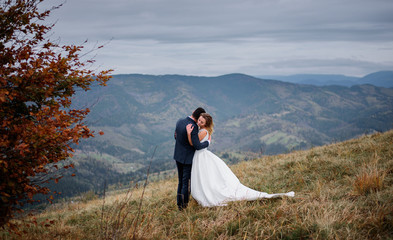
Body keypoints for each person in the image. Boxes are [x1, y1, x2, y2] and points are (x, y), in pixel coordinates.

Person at [186, 113, 294, 207]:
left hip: (201, 156)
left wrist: (188, 133)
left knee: (204, 176)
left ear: (206, 124)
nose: (199, 122)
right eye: (199, 120)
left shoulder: (203, 132)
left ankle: (207, 194)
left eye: (201, 121)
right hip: (201, 156)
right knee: (205, 176)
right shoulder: (205, 131)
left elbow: (193, 144)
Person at [173, 107, 210, 210]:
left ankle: (179, 203)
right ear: (199, 117)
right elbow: (197, 146)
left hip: (177, 155)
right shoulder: (193, 127)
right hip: (187, 159)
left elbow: (175, 136)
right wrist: (208, 143)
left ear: (193, 112)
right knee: (185, 183)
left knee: (180, 181)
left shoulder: (180, 121)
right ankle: (183, 206)